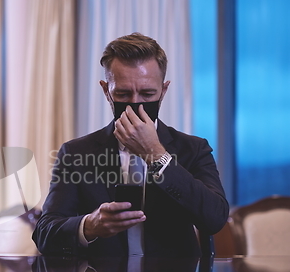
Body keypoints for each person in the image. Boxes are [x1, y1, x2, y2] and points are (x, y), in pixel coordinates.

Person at [32, 33, 229, 256]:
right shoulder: (76, 153)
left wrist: (156, 155)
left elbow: (215, 219)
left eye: (147, 94)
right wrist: (88, 225)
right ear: (107, 91)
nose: (135, 103)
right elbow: (44, 233)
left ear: (163, 91)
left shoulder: (193, 149)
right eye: (123, 94)